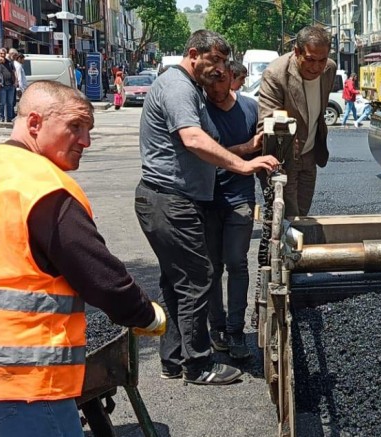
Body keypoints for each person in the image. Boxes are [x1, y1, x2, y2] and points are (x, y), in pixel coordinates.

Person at [0, 80, 167, 437]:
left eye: (89, 130)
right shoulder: (43, 188)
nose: (86, 141)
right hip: (19, 382)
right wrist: (147, 316)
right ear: (35, 123)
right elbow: (101, 278)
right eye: (75, 127)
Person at [135, 30, 278, 386]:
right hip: (170, 199)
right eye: (214, 61)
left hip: (167, 198)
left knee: (176, 281)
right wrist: (243, 165)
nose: (219, 69)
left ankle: (172, 359)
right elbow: (193, 138)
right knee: (199, 279)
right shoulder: (179, 87)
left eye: (223, 64)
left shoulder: (187, 87)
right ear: (195, 54)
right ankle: (198, 364)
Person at [204, 60, 260, 360]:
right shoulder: (199, 109)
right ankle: (218, 328)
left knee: (236, 262)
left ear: (232, 77)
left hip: (239, 196)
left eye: (220, 81)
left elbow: (264, 148)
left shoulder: (250, 108)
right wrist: (245, 148)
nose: (215, 89)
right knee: (212, 268)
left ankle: (236, 331)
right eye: (208, 84)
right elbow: (199, 154)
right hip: (207, 198)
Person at [258, 26, 338, 217]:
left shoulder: (330, 69)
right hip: (283, 158)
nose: (316, 67)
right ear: (296, 52)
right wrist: (285, 133)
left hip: (310, 154)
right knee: (286, 218)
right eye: (310, 59)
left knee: (302, 216)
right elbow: (267, 122)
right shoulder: (275, 74)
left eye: (322, 60)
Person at [0, 48, 17, 122]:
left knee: (10, 103)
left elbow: (13, 72)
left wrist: (15, 82)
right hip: (2, 86)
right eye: (1, 53)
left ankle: (9, 118)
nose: (3, 55)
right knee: (2, 103)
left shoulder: (9, 62)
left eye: (4, 53)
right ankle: (1, 118)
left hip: (11, 85)